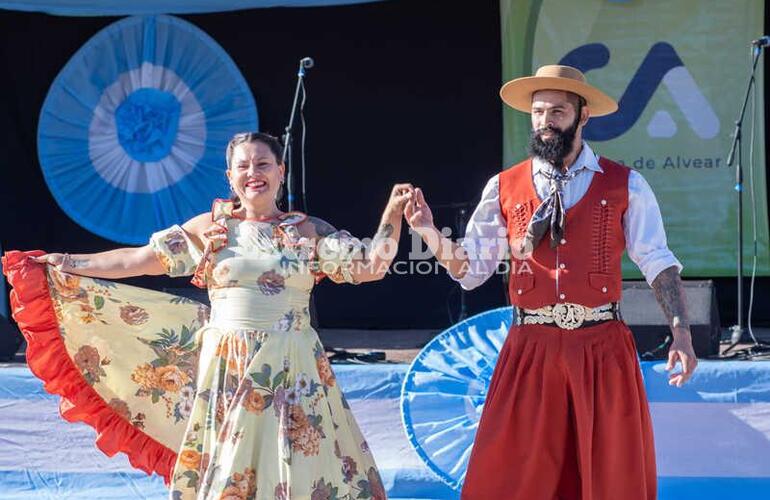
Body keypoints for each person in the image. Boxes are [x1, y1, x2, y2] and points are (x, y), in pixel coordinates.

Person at [3, 132, 410, 499]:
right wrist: (69, 260)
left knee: (298, 459)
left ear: (281, 171)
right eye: (244, 166)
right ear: (230, 177)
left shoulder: (305, 231)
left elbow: (371, 266)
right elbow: (139, 260)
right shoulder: (211, 229)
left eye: (263, 163)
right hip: (229, 363)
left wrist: (392, 214)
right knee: (230, 466)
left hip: (293, 363)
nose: (254, 173)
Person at [403, 65, 697, 499]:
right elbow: (470, 272)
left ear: (583, 117)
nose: (545, 121)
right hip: (532, 347)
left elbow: (658, 262)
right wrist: (428, 231)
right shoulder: (503, 186)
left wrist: (682, 332)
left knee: (610, 473)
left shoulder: (625, 184)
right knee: (518, 475)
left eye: (557, 111)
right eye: (538, 112)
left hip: (601, 347)